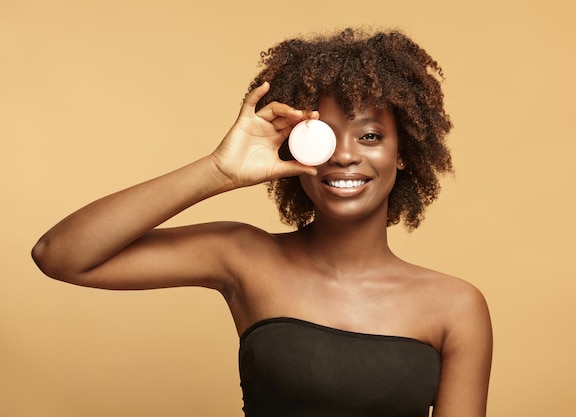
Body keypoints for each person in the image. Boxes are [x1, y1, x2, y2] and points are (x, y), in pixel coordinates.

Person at [32, 27, 492, 417]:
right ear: (294, 149)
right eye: (323, 137)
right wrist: (218, 170)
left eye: (370, 136)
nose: (347, 155)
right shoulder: (244, 256)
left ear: (403, 153)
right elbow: (61, 255)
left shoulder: (455, 307)